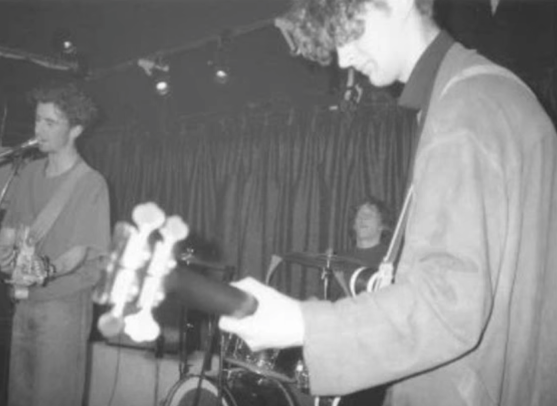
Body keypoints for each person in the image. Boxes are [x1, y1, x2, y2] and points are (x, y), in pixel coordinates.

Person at [219, 0, 557, 405]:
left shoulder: (467, 105)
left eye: (349, 32)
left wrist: (302, 324)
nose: (343, 57)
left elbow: (449, 305)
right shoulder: (479, 93)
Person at [0, 82, 110, 406]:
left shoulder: (91, 183)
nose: (38, 130)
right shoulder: (29, 172)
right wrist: (2, 252)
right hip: (25, 300)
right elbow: (10, 230)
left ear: (75, 130)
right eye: (37, 119)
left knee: (54, 397)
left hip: (65, 305)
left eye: (50, 123)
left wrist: (46, 269)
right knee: (19, 395)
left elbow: (79, 253)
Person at [332, 196, 392, 298]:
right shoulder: (339, 259)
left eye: (369, 215)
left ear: (382, 225)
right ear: (354, 225)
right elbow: (322, 298)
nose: (362, 219)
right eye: (359, 215)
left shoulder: (392, 258)